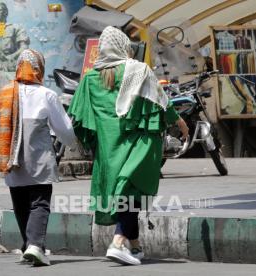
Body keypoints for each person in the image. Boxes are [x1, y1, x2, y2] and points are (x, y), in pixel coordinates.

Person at [68, 26, 189, 266]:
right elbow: (161, 101)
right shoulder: (138, 70)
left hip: (109, 148)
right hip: (140, 142)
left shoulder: (90, 79)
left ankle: (135, 246)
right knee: (129, 191)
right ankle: (118, 241)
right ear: (125, 46)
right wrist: (181, 124)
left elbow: (79, 120)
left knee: (126, 193)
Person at [0, 49, 76, 266]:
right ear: (38, 69)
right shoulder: (46, 94)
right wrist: (74, 142)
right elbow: (63, 129)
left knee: (20, 203)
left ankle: (29, 246)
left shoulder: (2, 93)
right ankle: (35, 246)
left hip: (10, 158)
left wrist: (8, 131)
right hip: (39, 158)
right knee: (40, 202)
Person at [0, 2, 30, 85]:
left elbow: (24, 47)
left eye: (1, 10)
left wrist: (12, 56)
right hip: (0, 70)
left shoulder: (15, 27)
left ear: (6, 12)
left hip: (12, 69)